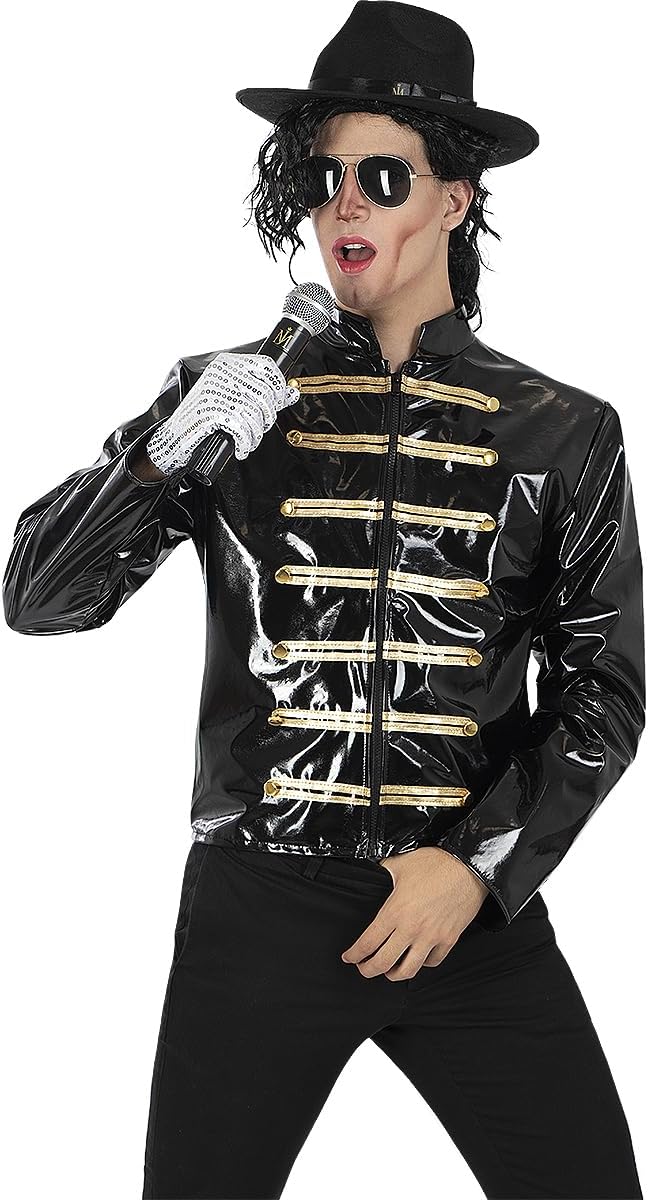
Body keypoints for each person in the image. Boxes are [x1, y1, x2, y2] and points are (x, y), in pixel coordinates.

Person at [3, 3, 645, 1198]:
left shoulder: (565, 430)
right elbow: (39, 600)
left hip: (464, 908)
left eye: (382, 177)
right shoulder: (227, 397)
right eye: (323, 176)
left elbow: (604, 690)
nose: (344, 203)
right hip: (262, 901)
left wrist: (481, 863)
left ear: (455, 200)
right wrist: (160, 458)